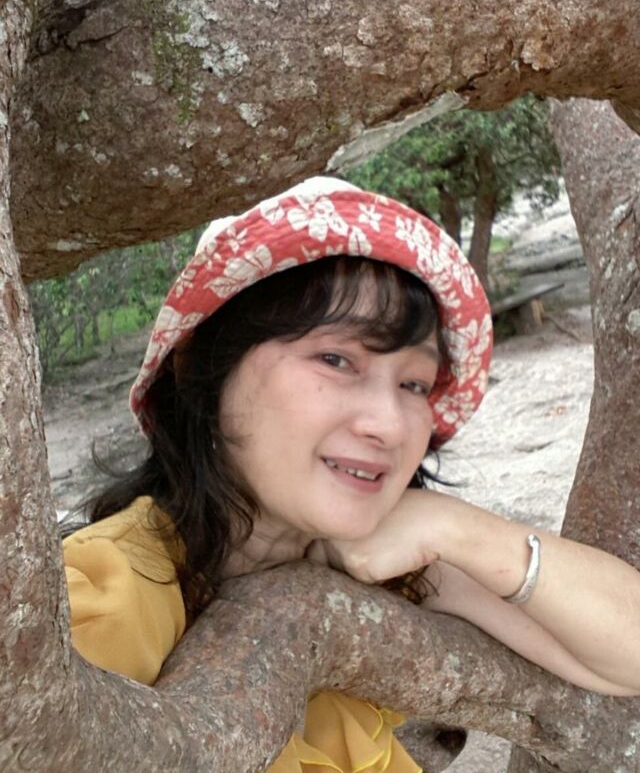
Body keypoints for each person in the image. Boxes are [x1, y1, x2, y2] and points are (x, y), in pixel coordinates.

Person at [63, 176, 640, 773]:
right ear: (202, 370)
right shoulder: (98, 601)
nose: (388, 425)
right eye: (336, 359)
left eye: (413, 383)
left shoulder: (384, 559)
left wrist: (461, 530)